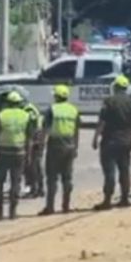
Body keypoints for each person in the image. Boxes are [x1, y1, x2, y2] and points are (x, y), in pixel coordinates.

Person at [92, 75, 131, 210]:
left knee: (109, 172)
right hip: (126, 142)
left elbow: (102, 122)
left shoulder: (109, 101)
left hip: (110, 141)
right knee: (124, 170)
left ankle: (107, 200)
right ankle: (125, 199)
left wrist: (95, 138)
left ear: (116, 87)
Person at [0, 91, 36, 221]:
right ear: (19, 103)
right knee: (16, 182)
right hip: (19, 153)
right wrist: (29, 155)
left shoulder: (1, 115)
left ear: (7, 103)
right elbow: (30, 139)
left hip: (3, 153)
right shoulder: (26, 116)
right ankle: (12, 213)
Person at [39, 85, 80, 215]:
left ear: (56, 96)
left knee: (52, 178)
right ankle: (66, 206)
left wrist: (41, 146)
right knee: (67, 178)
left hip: (55, 145)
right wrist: (76, 147)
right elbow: (76, 131)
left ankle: (50, 207)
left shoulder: (52, 109)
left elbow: (45, 130)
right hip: (70, 145)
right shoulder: (73, 110)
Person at [23, 101, 45, 198]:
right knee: (36, 164)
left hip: (34, 138)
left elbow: (31, 129)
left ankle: (34, 189)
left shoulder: (28, 111)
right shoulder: (31, 107)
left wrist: (30, 143)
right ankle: (39, 188)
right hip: (38, 137)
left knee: (32, 165)